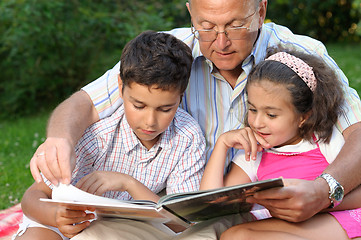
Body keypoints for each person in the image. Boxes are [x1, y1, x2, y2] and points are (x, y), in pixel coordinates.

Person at [30, 0, 361, 224]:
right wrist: (58, 139)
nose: (220, 42)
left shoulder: (299, 56)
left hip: (262, 202)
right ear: (191, 14)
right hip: (182, 202)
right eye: (206, 26)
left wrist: (325, 190)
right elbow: (84, 102)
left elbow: (357, 132)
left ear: (260, 11)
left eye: (234, 25)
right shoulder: (170, 54)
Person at [14, 31, 206, 240]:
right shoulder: (98, 135)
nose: (150, 121)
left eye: (165, 109)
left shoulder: (187, 137)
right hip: (61, 222)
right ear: (121, 87)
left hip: (123, 229)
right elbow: (32, 197)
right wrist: (56, 217)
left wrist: (129, 184)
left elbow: (182, 223)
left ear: (181, 95)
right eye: (139, 106)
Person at [179, 50, 361, 240]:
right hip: (285, 228)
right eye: (252, 109)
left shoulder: (325, 141)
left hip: (342, 220)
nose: (257, 122)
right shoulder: (253, 153)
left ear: (303, 116)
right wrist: (222, 145)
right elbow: (212, 207)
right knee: (234, 235)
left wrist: (317, 203)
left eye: (271, 115)